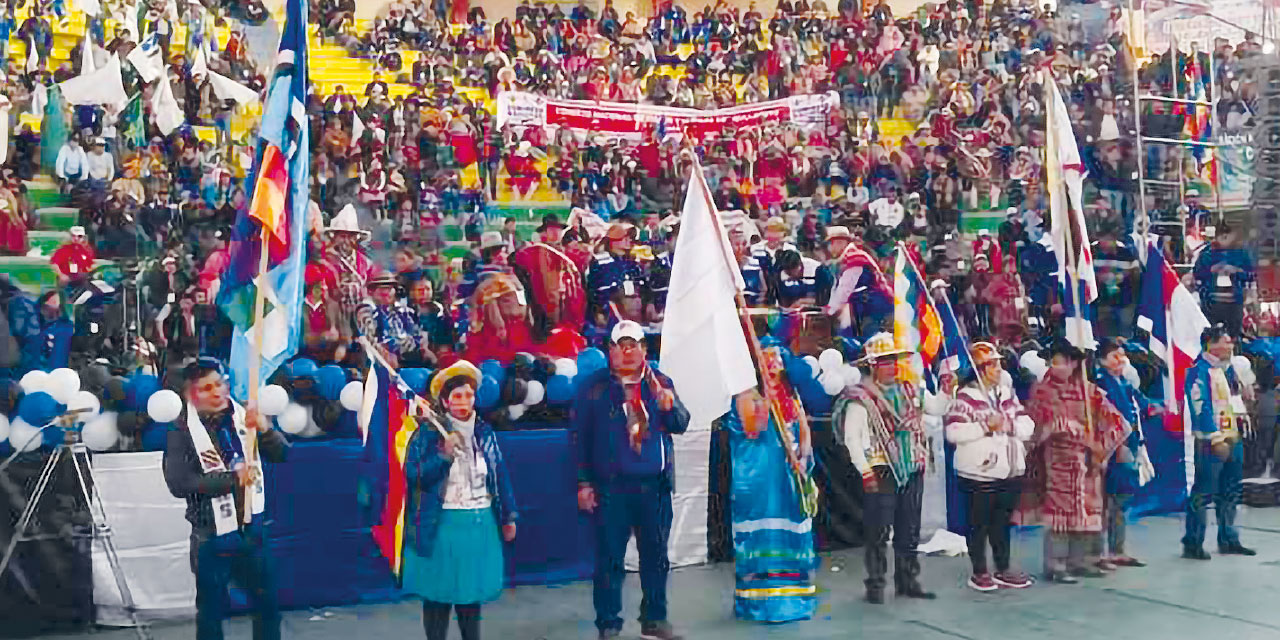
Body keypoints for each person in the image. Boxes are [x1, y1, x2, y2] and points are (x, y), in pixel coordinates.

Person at [573, 320, 690, 640]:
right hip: (611, 488)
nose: (628, 353)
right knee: (609, 558)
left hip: (654, 486)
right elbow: (578, 438)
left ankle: (654, 620)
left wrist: (671, 405)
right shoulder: (593, 387)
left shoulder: (660, 382)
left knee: (656, 558)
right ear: (610, 351)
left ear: (644, 349)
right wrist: (584, 483)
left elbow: (680, 424)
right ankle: (608, 624)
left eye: (634, 345)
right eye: (620, 346)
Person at [163, 358, 288, 640]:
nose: (217, 392)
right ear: (190, 395)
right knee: (211, 612)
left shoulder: (245, 416)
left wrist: (267, 432)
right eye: (206, 388)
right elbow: (180, 483)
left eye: (219, 384)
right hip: (211, 534)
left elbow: (282, 455)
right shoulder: (181, 432)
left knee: (267, 605)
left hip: (253, 530)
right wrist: (232, 480)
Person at [403, 360, 518, 640]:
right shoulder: (428, 433)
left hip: (479, 523)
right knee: (438, 595)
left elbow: (499, 473)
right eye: (457, 395)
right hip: (442, 524)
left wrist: (509, 515)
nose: (464, 401)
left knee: (470, 596)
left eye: (469, 394)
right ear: (445, 400)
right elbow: (414, 474)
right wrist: (442, 456)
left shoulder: (485, 432)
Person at [833, 332, 935, 604]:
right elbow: (853, 439)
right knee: (878, 530)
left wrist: (948, 388)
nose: (891, 365)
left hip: (911, 467)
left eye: (893, 360)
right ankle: (876, 584)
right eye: (885, 361)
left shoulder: (911, 390)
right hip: (880, 469)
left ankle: (907, 580)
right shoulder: (862, 399)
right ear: (873, 365)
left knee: (909, 528)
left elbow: (937, 407)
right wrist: (865, 471)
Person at [722, 338, 817, 622]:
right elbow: (754, 428)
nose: (774, 367)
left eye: (777, 361)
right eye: (768, 361)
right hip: (761, 483)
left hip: (789, 482)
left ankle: (794, 599)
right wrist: (767, 398)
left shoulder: (790, 395)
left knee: (791, 539)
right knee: (764, 539)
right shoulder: (745, 395)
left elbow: (804, 430)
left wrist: (802, 457)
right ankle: (762, 603)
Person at [1020, 340, 1130, 583]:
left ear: (1073, 363)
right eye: (1053, 361)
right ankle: (1055, 564)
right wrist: (1059, 428)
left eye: (1060, 361)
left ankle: (1082, 561)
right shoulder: (1042, 390)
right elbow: (1034, 424)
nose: (1056, 366)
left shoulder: (1089, 391)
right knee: (1060, 513)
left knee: (1089, 511)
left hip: (1089, 461)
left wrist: (1102, 449)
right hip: (1059, 460)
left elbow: (1116, 421)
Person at [944, 342, 1035, 592]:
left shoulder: (1007, 394)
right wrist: (985, 427)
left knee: (1002, 522)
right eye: (993, 364)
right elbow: (953, 432)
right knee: (978, 523)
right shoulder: (964, 398)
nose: (998, 369)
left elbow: (1027, 425)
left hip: (1009, 470)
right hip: (978, 474)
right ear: (980, 369)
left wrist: (1007, 425)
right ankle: (979, 571)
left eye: (998, 364)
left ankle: (1003, 568)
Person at [1183, 325, 1256, 559]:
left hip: (1232, 436)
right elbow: (1199, 406)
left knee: (1230, 491)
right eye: (1226, 341)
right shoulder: (1198, 371)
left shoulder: (1226, 370)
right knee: (1203, 493)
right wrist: (1215, 439)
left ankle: (1229, 538)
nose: (1231, 345)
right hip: (1211, 442)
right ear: (1212, 344)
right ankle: (1193, 542)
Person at [1095, 338, 1159, 568]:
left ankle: (1117, 549)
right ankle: (1099, 552)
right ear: (1102, 360)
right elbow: (1104, 419)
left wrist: (1155, 406)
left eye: (1122, 355)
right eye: (1115, 356)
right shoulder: (1101, 383)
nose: (1121, 360)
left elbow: (1139, 402)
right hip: (1113, 449)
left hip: (1129, 444)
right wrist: (1118, 446)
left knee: (1122, 499)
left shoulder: (1122, 381)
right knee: (1107, 501)